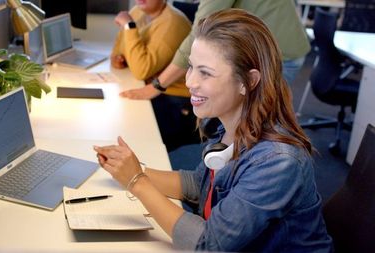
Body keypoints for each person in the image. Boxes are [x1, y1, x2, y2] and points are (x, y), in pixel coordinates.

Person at [94, 9, 332, 252]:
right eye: (191, 67)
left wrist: (137, 182)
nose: (189, 82)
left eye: (205, 73)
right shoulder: (229, 126)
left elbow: (208, 245)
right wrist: (133, 168)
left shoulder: (278, 162)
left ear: (248, 82)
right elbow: (201, 184)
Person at [120, 0, 311, 100]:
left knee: (255, 123)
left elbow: (199, 35)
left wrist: (157, 86)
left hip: (278, 53)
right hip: (263, 44)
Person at [111, 0, 199, 151]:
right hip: (154, 89)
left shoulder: (172, 24)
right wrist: (119, 58)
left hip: (177, 101)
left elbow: (141, 70)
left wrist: (129, 27)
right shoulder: (138, 11)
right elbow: (118, 50)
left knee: (126, 129)